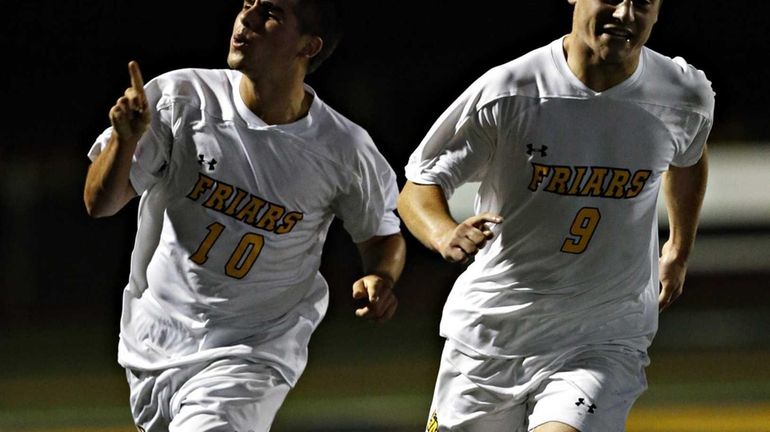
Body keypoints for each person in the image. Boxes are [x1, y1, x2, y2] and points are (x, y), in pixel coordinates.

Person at [83, 0, 406, 430]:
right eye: (247, 4)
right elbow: (99, 203)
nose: (247, 18)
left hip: (253, 350)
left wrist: (380, 276)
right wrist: (124, 142)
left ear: (308, 46)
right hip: (154, 340)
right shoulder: (182, 97)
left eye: (270, 13)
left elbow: (381, 235)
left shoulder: (343, 148)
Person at [398, 0, 713, 431]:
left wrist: (679, 247)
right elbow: (419, 186)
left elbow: (690, 155)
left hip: (603, 335)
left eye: (642, 2)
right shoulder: (511, 90)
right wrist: (444, 233)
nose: (624, 14)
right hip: (491, 335)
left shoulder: (682, 95)